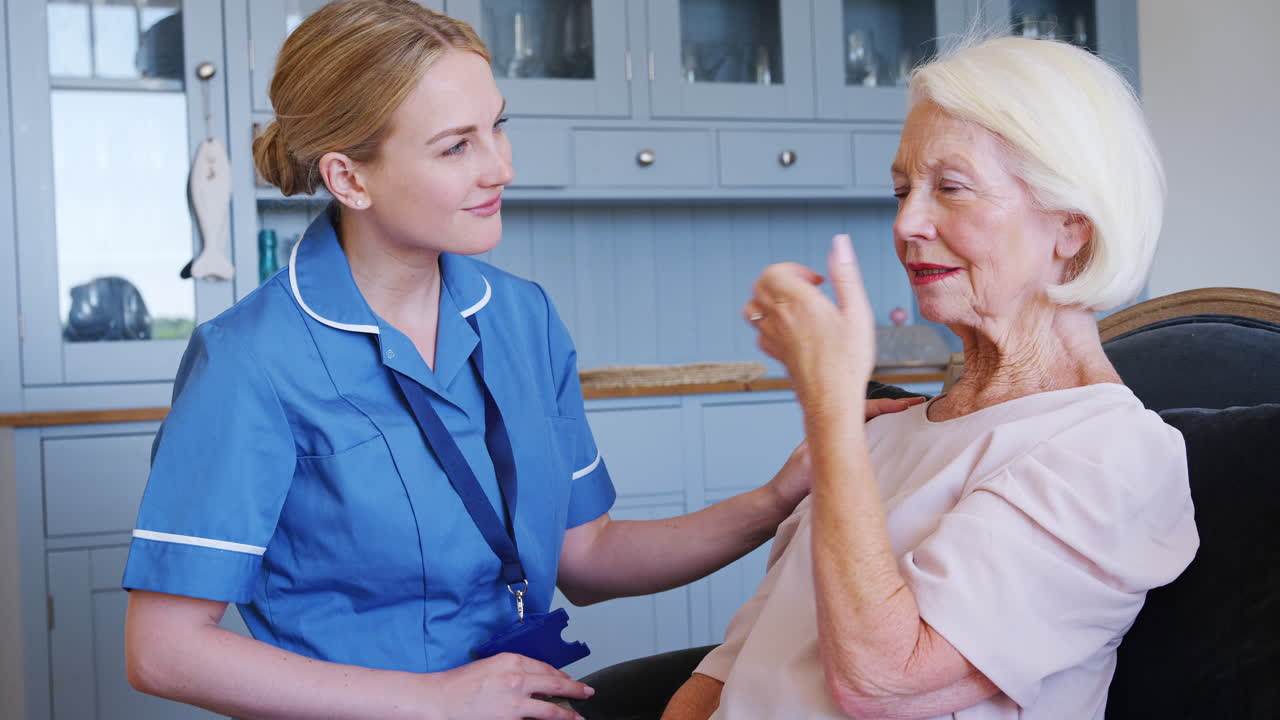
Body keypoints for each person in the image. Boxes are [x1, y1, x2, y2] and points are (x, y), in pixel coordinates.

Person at [120, 2, 917, 719]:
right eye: (455, 146)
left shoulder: (521, 317)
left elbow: (588, 555)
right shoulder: (248, 361)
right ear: (348, 177)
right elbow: (164, 650)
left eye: (496, 126)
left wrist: (777, 496)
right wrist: (433, 702)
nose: (500, 166)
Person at [663, 35, 1199, 720]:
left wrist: (828, 406)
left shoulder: (1114, 456)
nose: (907, 222)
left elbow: (885, 682)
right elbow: (734, 669)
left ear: (1071, 229)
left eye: (950, 188)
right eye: (901, 190)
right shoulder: (882, 437)